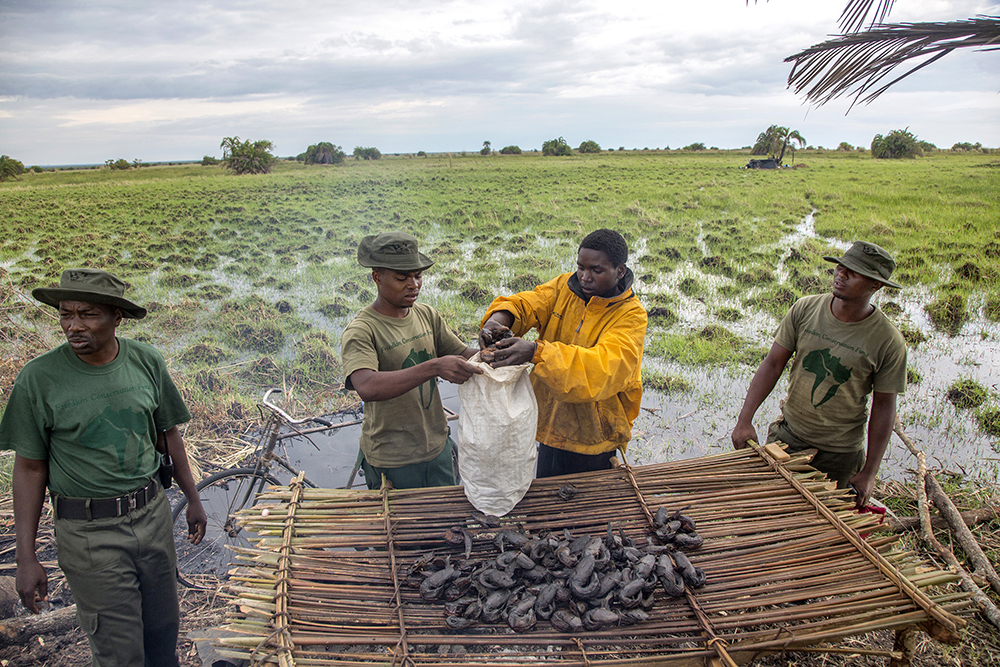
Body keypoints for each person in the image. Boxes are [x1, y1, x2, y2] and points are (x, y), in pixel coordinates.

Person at [0, 268, 207, 667]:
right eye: (66, 314)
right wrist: (26, 558)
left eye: (88, 314)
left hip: (152, 518)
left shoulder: (145, 361)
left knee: (163, 633)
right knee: (119, 651)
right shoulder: (39, 380)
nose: (74, 326)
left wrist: (193, 499)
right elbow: (28, 470)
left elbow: (168, 436)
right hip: (90, 534)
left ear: (117, 317)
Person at [731, 241, 907, 508]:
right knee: (763, 513)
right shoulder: (805, 309)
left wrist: (869, 473)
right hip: (788, 437)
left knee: (819, 529)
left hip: (840, 455)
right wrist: (745, 420)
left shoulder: (888, 341)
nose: (841, 275)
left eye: (853, 272)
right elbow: (772, 364)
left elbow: (884, 406)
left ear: (876, 285)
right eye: (841, 267)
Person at [478, 228, 647, 478]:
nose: (585, 277)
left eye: (596, 270)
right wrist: (499, 319)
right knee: (547, 500)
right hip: (550, 428)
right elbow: (530, 303)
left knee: (589, 512)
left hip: (595, 440)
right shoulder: (564, 288)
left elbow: (602, 369)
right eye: (581, 267)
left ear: (620, 271)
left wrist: (536, 352)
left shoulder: (630, 316)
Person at [341, 231, 481, 490]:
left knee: (447, 526)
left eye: (418, 276)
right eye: (402, 278)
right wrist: (434, 366)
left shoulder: (426, 315)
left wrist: (493, 353)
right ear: (377, 277)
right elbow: (367, 386)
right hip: (393, 460)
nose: (413, 285)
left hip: (437, 448)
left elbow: (462, 354)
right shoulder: (363, 329)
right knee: (403, 529)